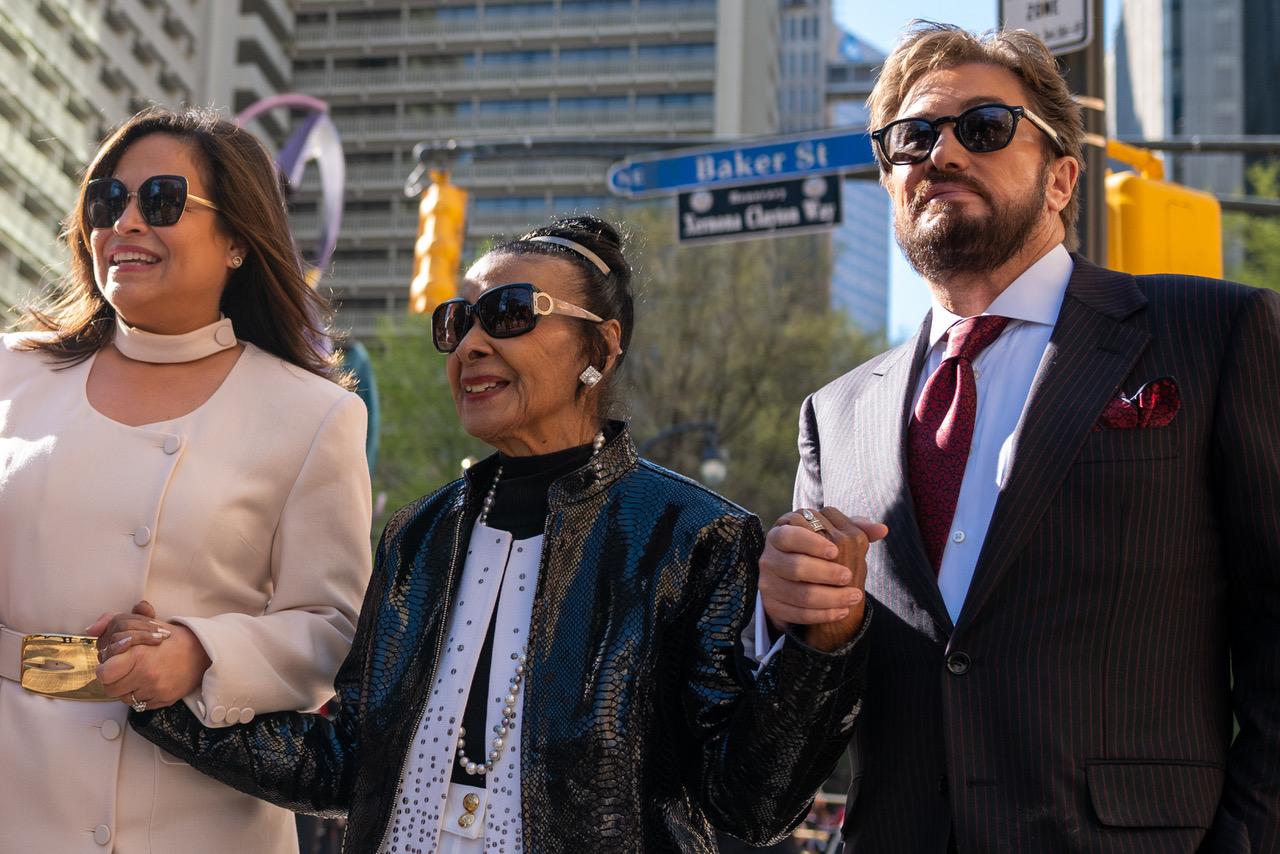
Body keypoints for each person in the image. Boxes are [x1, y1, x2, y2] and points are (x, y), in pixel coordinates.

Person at [132, 215, 871, 853]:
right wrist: (162, 704)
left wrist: (820, 645)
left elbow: (751, 802)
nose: (471, 345)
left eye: (511, 314)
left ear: (601, 349)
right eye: (458, 323)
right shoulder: (418, 535)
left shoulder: (694, 536)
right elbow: (347, 761)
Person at [756, 21, 1280, 853]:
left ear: (1063, 177)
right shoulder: (836, 412)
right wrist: (798, 624)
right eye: (911, 137)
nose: (942, 152)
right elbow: (790, 747)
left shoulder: (1213, 333)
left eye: (985, 127)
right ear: (889, 178)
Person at [0, 107, 373, 853]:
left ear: (237, 238)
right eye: (108, 201)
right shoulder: (14, 370)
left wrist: (202, 652)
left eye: (162, 200)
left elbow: (336, 629)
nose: (126, 222)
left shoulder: (313, 413)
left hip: (193, 809)